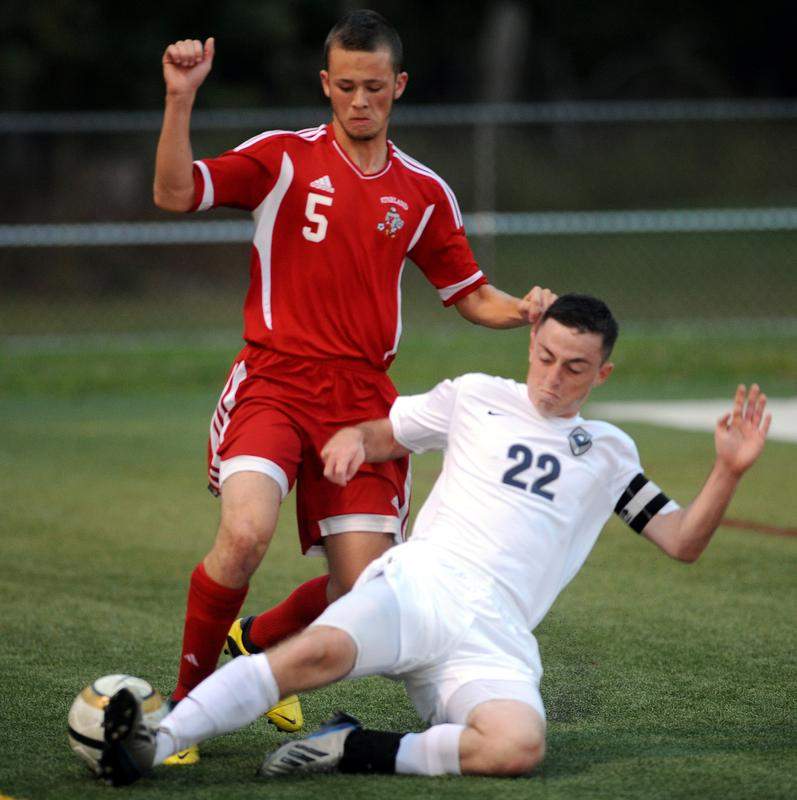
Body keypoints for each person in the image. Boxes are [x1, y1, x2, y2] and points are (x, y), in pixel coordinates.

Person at [99, 293, 771, 785]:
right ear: (529, 345)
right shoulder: (474, 394)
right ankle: (157, 742)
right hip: (418, 586)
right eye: (544, 357)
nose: (552, 376)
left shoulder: (608, 452)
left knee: (516, 748)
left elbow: (681, 540)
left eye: (574, 367)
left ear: (602, 375)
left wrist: (725, 470)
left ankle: (354, 749)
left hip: (496, 634)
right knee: (315, 654)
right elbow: (384, 432)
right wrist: (351, 439)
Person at [154, 8, 550, 756]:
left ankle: (254, 640)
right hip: (273, 381)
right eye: (344, 87)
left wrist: (522, 310)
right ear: (325, 86)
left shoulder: (423, 191)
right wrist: (180, 98)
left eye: (374, 87)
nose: (359, 100)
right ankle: (185, 705)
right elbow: (176, 194)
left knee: (359, 596)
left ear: (397, 86)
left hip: (363, 405)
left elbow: (468, 292)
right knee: (242, 537)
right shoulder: (282, 159)